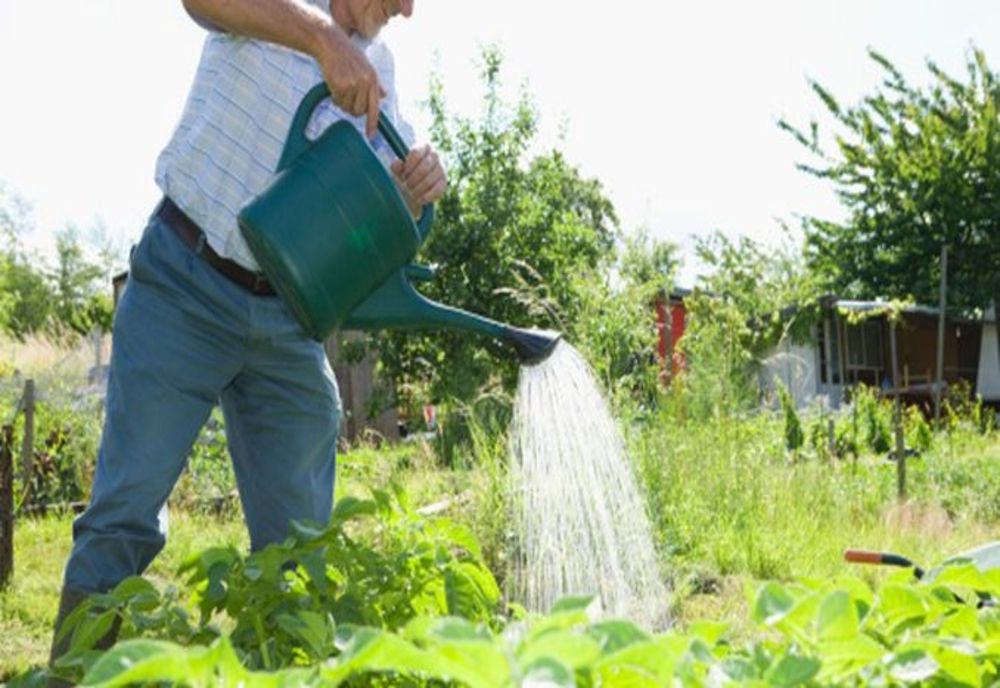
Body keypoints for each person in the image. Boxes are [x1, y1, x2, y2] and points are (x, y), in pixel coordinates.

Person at [48, 0, 446, 674]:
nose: (408, 9)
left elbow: (374, 208)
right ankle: (70, 676)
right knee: (124, 515)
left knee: (300, 552)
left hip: (286, 324)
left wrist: (414, 187)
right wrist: (321, 38)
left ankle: (284, 669)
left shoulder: (381, 67)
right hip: (185, 286)